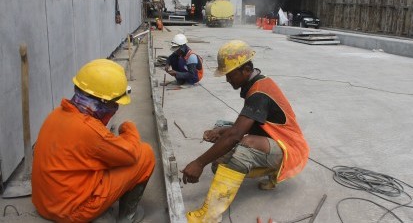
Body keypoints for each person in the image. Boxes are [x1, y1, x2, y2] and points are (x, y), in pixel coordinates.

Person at [181, 40, 310, 222]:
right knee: (219, 162)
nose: (227, 79)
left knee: (244, 148)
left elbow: (236, 136)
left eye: (230, 74)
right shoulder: (257, 84)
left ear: (246, 69)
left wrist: (198, 163)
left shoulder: (259, 94)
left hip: (290, 148)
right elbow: (256, 125)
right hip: (276, 140)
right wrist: (223, 131)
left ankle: (210, 215)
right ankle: (270, 171)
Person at [32, 59, 156, 223]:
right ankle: (127, 217)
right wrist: (128, 128)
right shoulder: (90, 130)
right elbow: (131, 154)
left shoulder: (56, 114)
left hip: (43, 203)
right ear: (103, 102)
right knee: (146, 154)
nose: (115, 108)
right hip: (71, 212)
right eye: (115, 104)